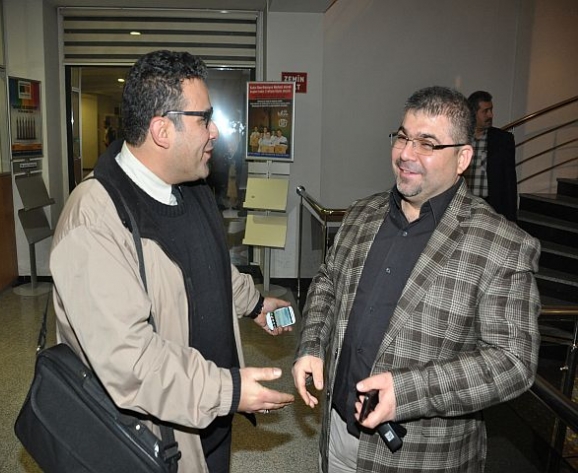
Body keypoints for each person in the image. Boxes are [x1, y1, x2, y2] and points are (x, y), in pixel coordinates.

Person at [51, 50, 295, 473]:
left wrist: (254, 304)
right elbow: (132, 361)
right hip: (155, 433)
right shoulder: (94, 220)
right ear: (162, 130)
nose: (214, 131)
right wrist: (229, 390)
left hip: (209, 415)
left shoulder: (190, 184)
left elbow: (207, 263)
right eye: (204, 119)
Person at [292, 86, 540, 473]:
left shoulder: (503, 245)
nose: (406, 154)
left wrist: (407, 391)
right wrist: (312, 344)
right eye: (403, 137)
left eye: (427, 143)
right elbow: (327, 281)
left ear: (462, 158)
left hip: (420, 457)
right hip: (337, 433)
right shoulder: (362, 214)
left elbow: (513, 362)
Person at [464, 91, 518, 221]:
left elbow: (509, 182)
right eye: (485, 111)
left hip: (491, 208)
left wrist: (511, 218)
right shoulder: (460, 138)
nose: (490, 115)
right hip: (463, 206)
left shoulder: (503, 140)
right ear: (472, 113)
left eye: (491, 110)